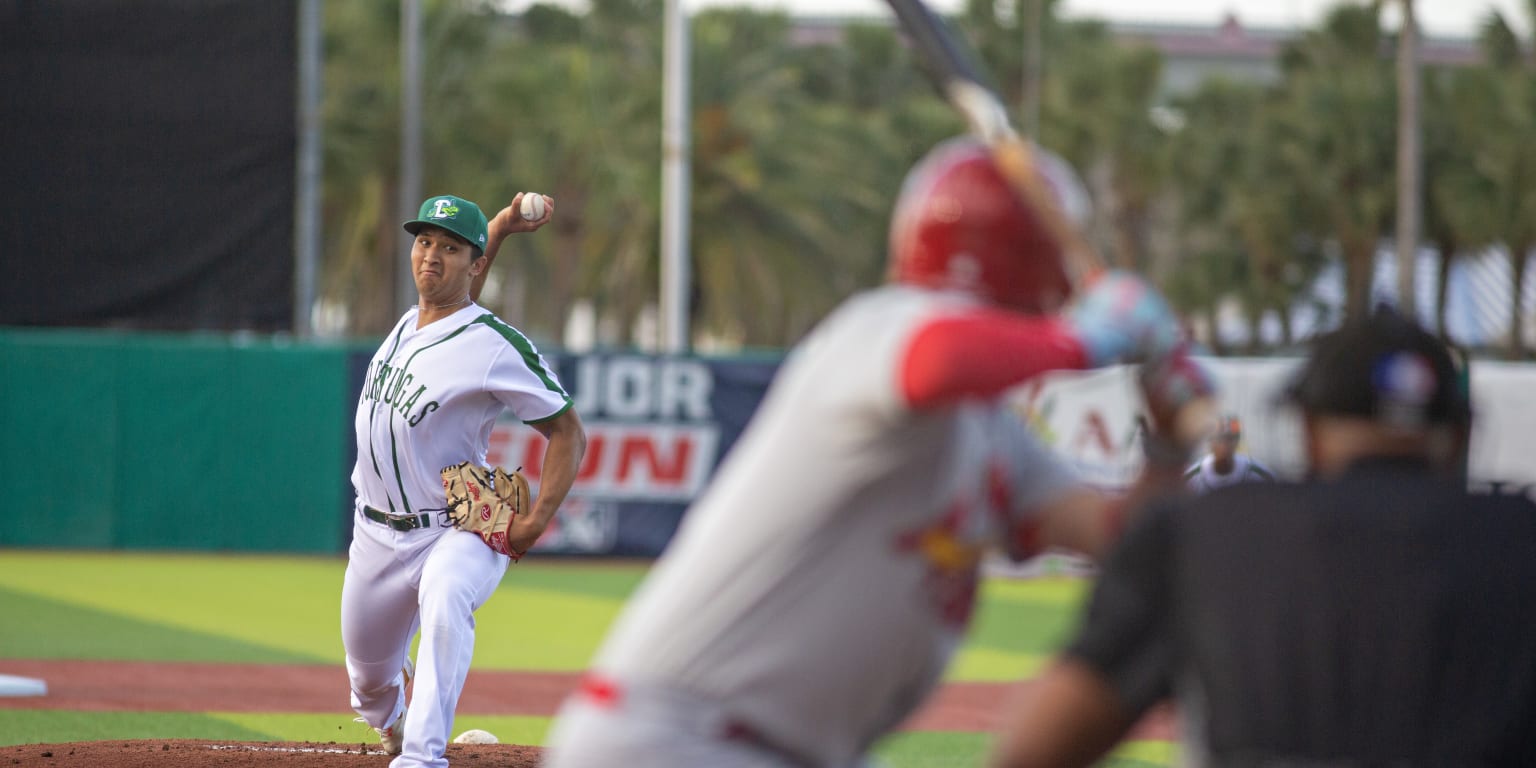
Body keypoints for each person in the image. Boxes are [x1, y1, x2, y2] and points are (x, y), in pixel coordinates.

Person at [542, 137, 1213, 768]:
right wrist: (1086, 340)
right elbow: (937, 359)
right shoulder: (881, 327)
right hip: (681, 741)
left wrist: (1165, 437)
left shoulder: (990, 434)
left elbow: (1121, 539)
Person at [990, 305, 1536, 768]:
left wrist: (1164, 446)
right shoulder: (1520, 537)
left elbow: (1034, 748)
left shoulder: (1203, 534)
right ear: (1461, 434)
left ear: (1309, 431)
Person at [341, 192, 587, 768]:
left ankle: (421, 758)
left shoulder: (494, 345)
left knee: (449, 596)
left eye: (450, 248)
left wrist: (534, 521)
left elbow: (568, 431)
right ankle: (397, 725)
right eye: (425, 242)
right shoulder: (410, 323)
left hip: (454, 526)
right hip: (374, 535)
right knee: (368, 685)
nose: (432, 256)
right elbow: (457, 297)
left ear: (473, 264)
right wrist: (497, 226)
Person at [1184, 413, 1276, 493]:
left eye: (1230, 438)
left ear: (1237, 442)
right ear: (1211, 442)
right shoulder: (1192, 477)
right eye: (1219, 438)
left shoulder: (1258, 474)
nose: (1224, 444)